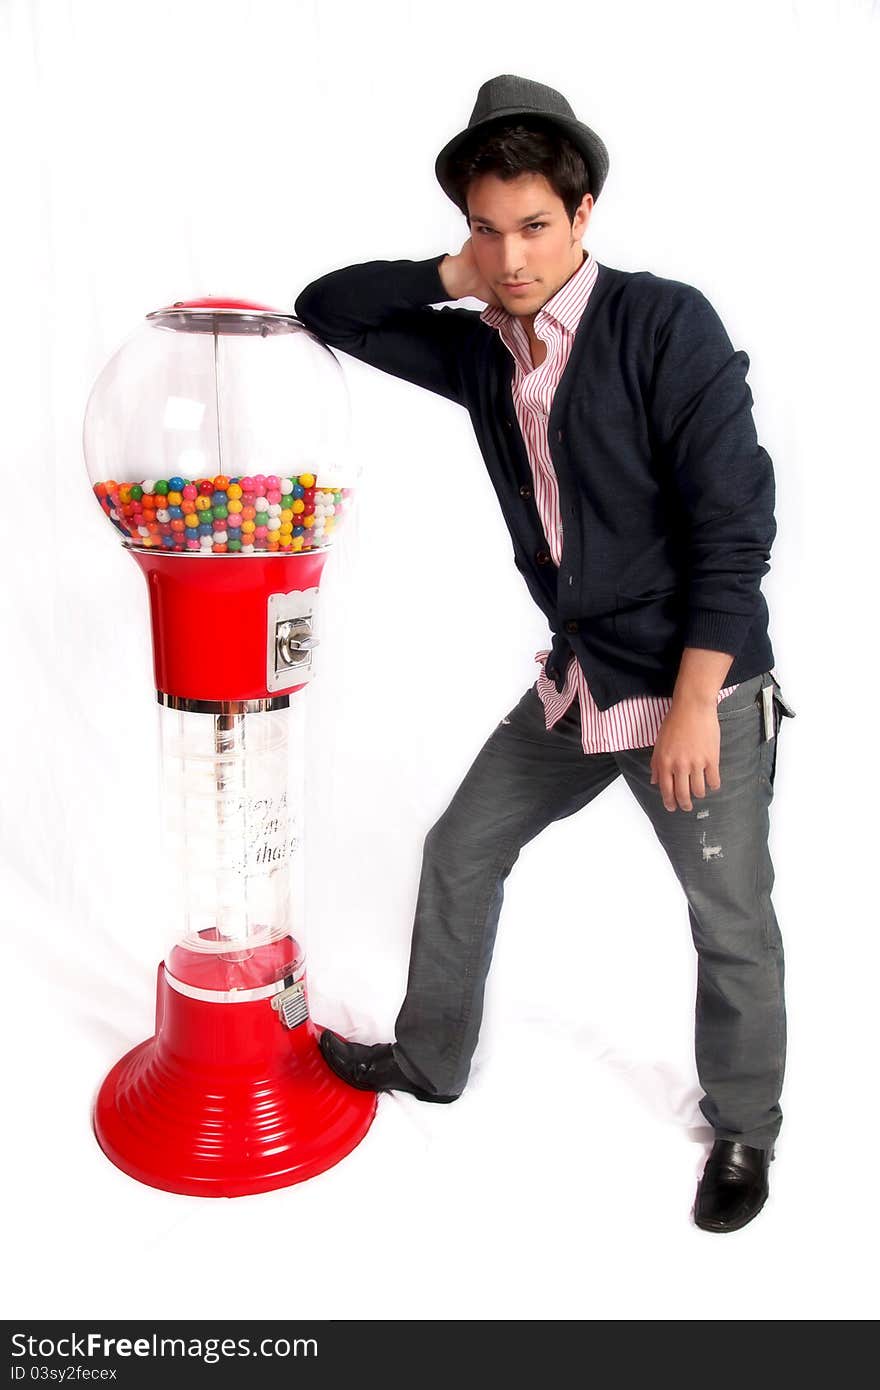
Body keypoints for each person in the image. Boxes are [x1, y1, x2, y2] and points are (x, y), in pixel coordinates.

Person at [293, 74, 797, 1233]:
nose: (511, 256)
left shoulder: (663, 323)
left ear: (583, 214)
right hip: (578, 682)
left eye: (532, 226)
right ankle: (431, 1059)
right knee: (460, 849)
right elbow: (329, 307)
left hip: (694, 689)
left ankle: (745, 1128)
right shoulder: (482, 349)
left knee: (729, 918)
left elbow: (736, 529)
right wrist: (455, 280)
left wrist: (692, 702)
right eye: (485, 228)